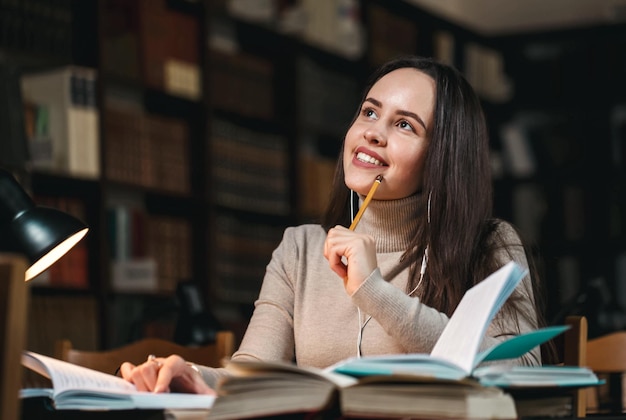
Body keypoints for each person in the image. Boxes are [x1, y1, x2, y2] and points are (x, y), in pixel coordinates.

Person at [120, 55, 554, 394]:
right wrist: (187, 374)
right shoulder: (301, 249)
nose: (373, 132)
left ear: (443, 157)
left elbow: (516, 368)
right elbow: (252, 371)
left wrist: (376, 293)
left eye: (404, 124)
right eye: (369, 112)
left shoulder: (491, 243)